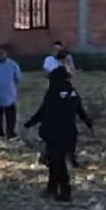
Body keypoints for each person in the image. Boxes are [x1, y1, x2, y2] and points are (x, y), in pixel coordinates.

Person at [24, 66, 93, 202]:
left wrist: (29, 124)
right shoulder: (72, 93)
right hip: (70, 133)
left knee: (57, 163)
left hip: (55, 133)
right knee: (55, 162)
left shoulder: (53, 92)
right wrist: (89, 124)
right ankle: (52, 188)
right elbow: (81, 111)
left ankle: (65, 192)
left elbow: (43, 112)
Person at [0, 45, 21, 139]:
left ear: (6, 53)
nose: (0, 55)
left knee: (10, 116)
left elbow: (17, 78)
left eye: (2, 53)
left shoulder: (13, 65)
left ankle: (10, 132)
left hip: (9, 94)